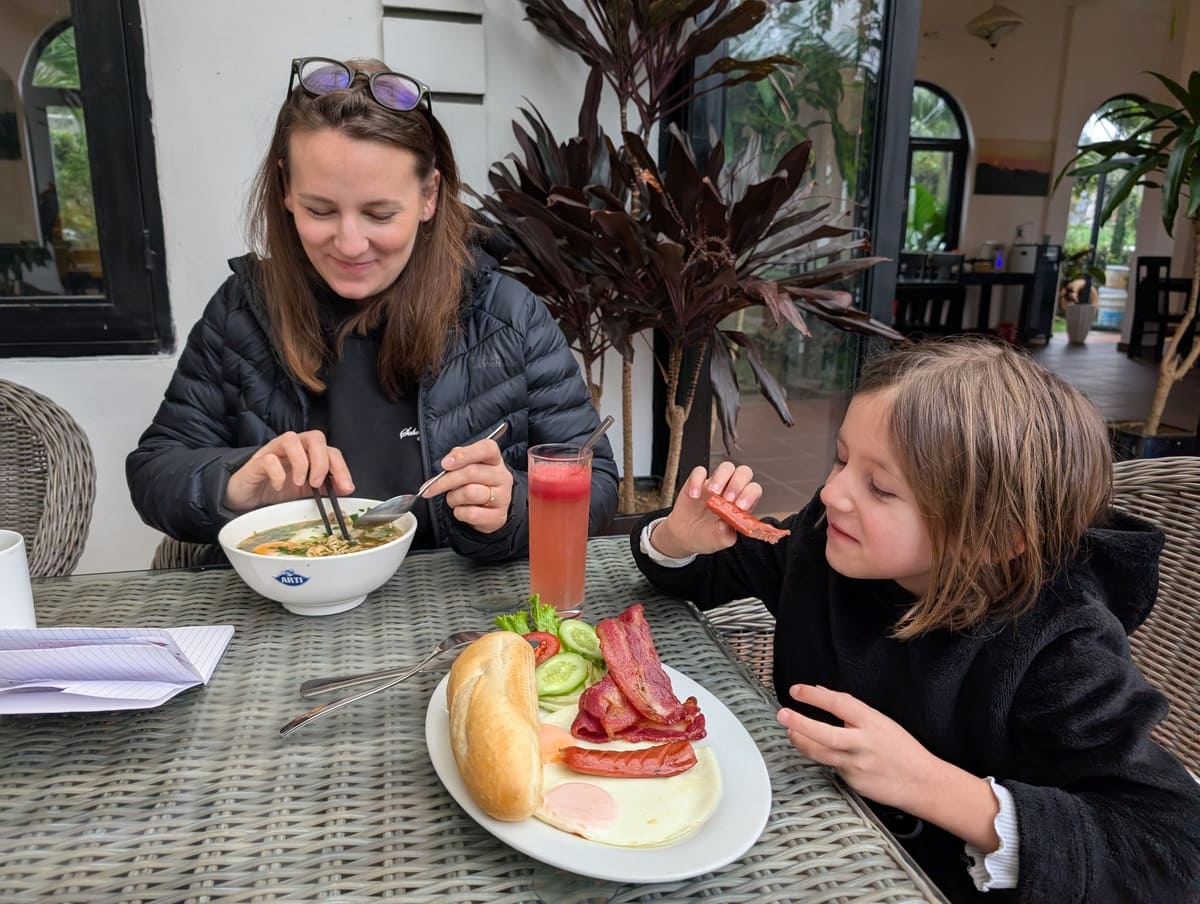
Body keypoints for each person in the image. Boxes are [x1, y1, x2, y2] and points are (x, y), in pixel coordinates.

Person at [630, 337, 1200, 902]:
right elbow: (705, 571)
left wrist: (930, 785)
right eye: (842, 458)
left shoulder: (1061, 645)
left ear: (994, 537)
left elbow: (1172, 850)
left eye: (880, 488)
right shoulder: (827, 541)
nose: (832, 493)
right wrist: (679, 538)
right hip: (807, 838)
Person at [127, 57, 617, 561]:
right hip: (284, 597)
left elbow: (597, 483)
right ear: (285, 189)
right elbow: (155, 470)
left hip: (455, 599)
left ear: (429, 196)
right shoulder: (242, 310)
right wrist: (235, 484)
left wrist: (512, 507)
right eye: (320, 210)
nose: (350, 243)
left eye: (380, 214)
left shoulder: (507, 315)